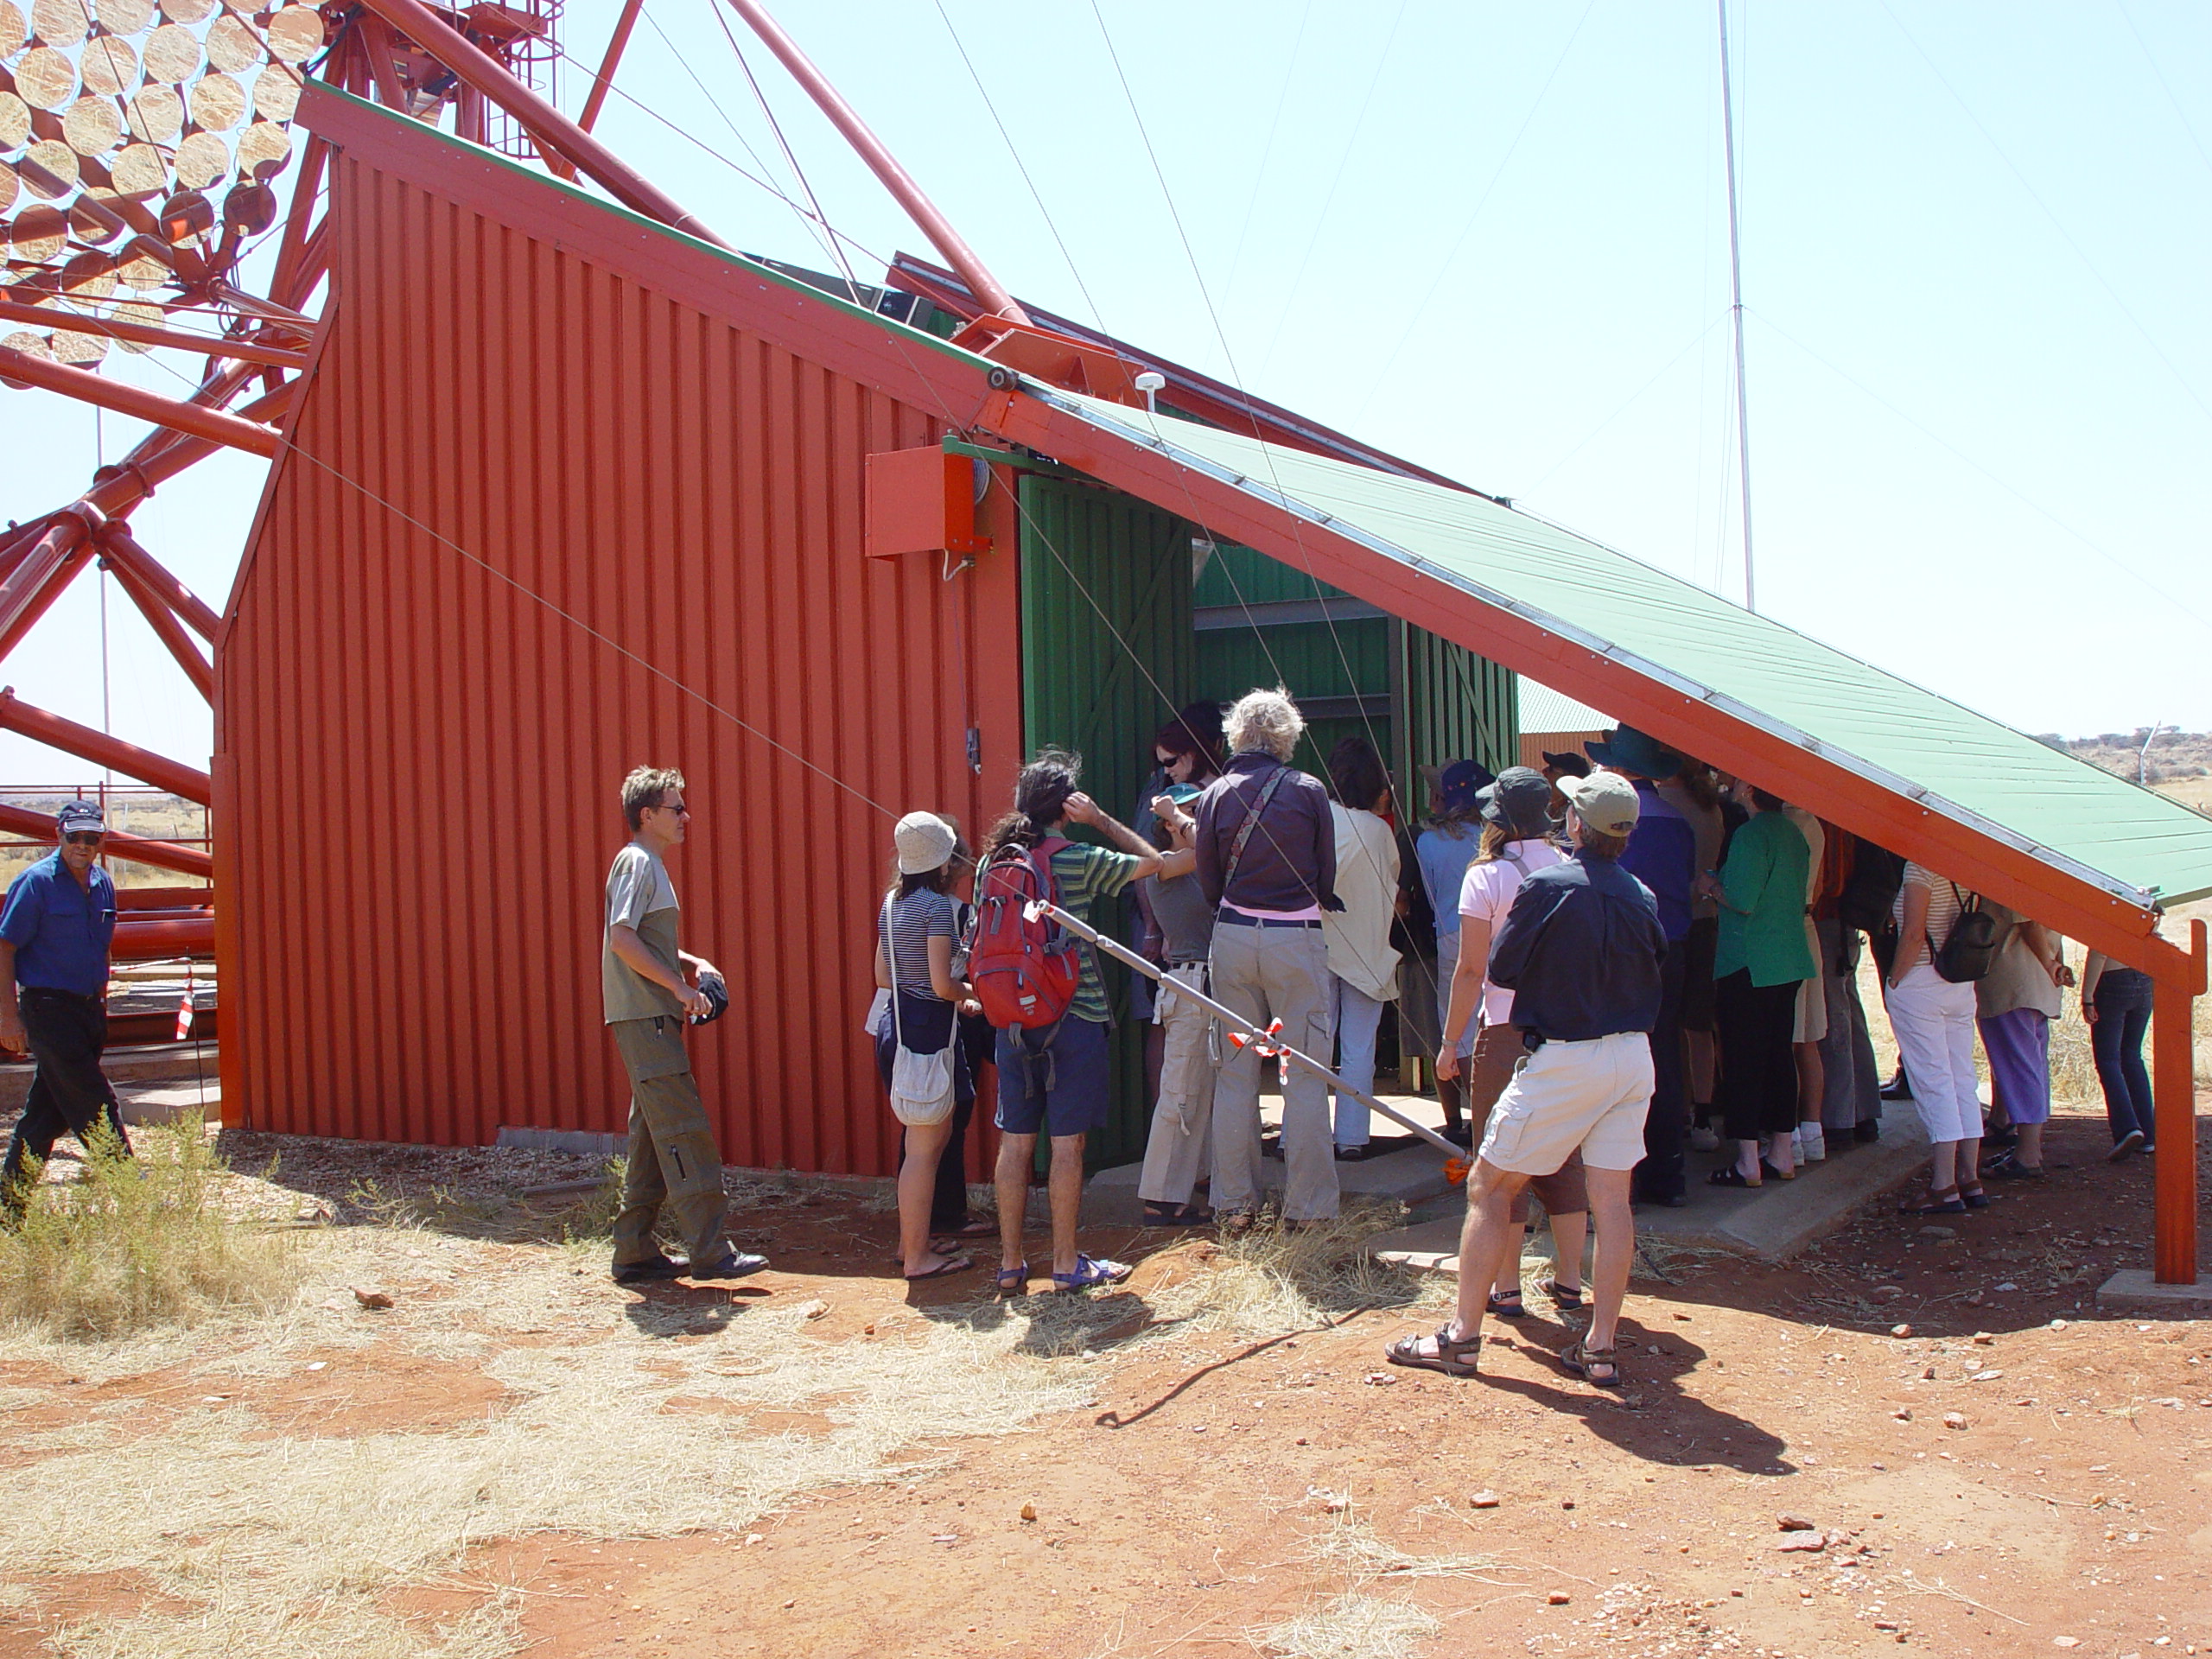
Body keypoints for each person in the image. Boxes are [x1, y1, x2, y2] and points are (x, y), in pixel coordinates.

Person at [1385, 770, 1667, 1389]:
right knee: (1611, 1200)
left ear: (1576, 823)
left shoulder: (1545, 886)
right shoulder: (1641, 894)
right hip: (1631, 1055)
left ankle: (1461, 1337)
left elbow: (1503, 968)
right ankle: (1600, 1347)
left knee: (1489, 1185)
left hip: (1565, 1055)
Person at [984, 751, 1185, 1292]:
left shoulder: (992, 863)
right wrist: (1100, 819)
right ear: (1065, 806)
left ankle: (1009, 1264)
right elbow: (1154, 862)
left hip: (1011, 1019)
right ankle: (1065, 1263)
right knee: (1067, 1145)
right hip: (1074, 1016)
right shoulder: (1077, 857)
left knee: (1015, 1143)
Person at [601, 767, 766, 1285]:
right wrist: (678, 988)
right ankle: (711, 1252)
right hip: (646, 1015)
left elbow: (644, 941)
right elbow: (622, 939)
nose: (686, 817)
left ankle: (633, 1250)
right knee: (684, 1130)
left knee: (653, 1133)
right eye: (676, 809)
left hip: (649, 1015)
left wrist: (695, 965)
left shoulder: (648, 863)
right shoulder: (637, 861)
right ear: (647, 815)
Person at [1437, 766, 1589, 1317]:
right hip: (1567, 1029)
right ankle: (1570, 1281)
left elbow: (1470, 968)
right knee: (1566, 1155)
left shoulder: (1486, 876)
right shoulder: (1572, 867)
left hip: (1505, 1029)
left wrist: (1450, 1042)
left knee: (1499, 1159)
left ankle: (1506, 1286)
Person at [1196, 689, 1341, 1230]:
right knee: (1304, 1074)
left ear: (1237, 733)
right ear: (1287, 735)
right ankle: (1309, 1211)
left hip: (1233, 936)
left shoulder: (1215, 794)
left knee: (1234, 1074)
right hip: (1295, 938)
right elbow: (1326, 875)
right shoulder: (1308, 790)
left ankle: (1235, 1205)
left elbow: (1208, 882)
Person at [0, 803, 130, 1224]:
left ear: (101, 841)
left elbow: (102, 943)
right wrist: (7, 1017)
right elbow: (5, 947)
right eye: (74, 837)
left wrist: (102, 996)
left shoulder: (103, 883)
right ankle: (137, 1199)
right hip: (48, 1009)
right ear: (59, 835)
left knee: (45, 1115)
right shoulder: (36, 883)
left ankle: (8, 1209)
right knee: (96, 1102)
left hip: (88, 1010)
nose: (82, 845)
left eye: (91, 838)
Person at [1586, 727, 1696, 1205]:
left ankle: (1621, 1176)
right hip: (1674, 946)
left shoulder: (1616, 823)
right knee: (1664, 1057)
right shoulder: (1678, 821)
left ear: (1618, 769)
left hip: (1624, 951)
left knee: (1616, 1059)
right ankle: (1667, 1174)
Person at [873, 812, 982, 1281]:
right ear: (943, 862)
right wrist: (972, 994)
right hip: (929, 1034)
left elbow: (883, 975)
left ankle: (911, 1242)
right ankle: (916, 1258)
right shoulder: (938, 908)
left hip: (897, 1026)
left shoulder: (891, 903)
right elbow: (942, 985)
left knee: (928, 1140)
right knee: (924, 1146)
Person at [1706, 783, 1815, 1186]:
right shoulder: (1793, 832)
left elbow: (1743, 898)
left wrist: (1709, 886)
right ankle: (1782, 1150)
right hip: (1787, 958)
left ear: (1750, 790)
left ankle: (1747, 1160)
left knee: (1743, 1059)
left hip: (1748, 960)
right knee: (1779, 1055)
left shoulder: (1750, 835)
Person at [1135, 782, 1217, 1225]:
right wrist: (1175, 812)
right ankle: (1162, 1196)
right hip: (1190, 983)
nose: (1198, 819)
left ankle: (1198, 1180)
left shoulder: (1201, 867)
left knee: (1208, 1092)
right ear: (1169, 823)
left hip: (1214, 983)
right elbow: (1207, 849)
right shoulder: (1163, 866)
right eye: (1190, 812)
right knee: (1181, 1091)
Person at [1885, 863, 1985, 1214]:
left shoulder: (1920, 868)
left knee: (1934, 1081)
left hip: (1922, 978)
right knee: (1962, 1079)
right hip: (1959, 979)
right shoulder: (1965, 863)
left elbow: (1914, 933)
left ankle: (1944, 1184)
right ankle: (1970, 1177)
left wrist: (1894, 980)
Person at [1322, 737, 1402, 1161]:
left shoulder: (1319, 818)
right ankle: (1351, 1138)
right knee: (1358, 1049)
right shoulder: (1379, 831)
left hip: (1317, 945)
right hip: (1366, 950)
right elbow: (1392, 883)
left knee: (1309, 1047)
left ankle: (1295, 1136)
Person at [1414, 760, 1494, 1145]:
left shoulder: (1428, 842)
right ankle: (1487, 1114)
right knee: (1493, 1020)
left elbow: (1429, 894)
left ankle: (1457, 1118)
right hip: (1494, 930)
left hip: (1450, 931)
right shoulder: (1494, 838)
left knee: (1454, 1026)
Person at [1975, 904, 2068, 1181]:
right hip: (2037, 981)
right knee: (2031, 1063)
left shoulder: (2014, 877)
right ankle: (2025, 1145)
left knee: (2020, 1065)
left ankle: (2027, 1153)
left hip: (2013, 978)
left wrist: (2049, 963)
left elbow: (2028, 920)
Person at [1669, 760, 1727, 1146]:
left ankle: (1676, 1111)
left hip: (1672, 923)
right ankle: (1703, 1114)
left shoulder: (1661, 802)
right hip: (1706, 921)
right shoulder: (1711, 806)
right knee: (1700, 1026)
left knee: (1669, 1027)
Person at [1780, 805, 1830, 1163]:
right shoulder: (1813, 821)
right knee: (1807, 1038)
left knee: (1788, 1038)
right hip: (1807, 923)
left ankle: (1792, 1135)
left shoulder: (1785, 823)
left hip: (1785, 928)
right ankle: (1813, 1131)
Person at [2082, 947, 2155, 1157]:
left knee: (2108, 1060)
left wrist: (2087, 997)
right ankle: (2148, 1133)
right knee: (2132, 1056)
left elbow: (2100, 951)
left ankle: (2127, 1128)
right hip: (2143, 977)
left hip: (2112, 980)